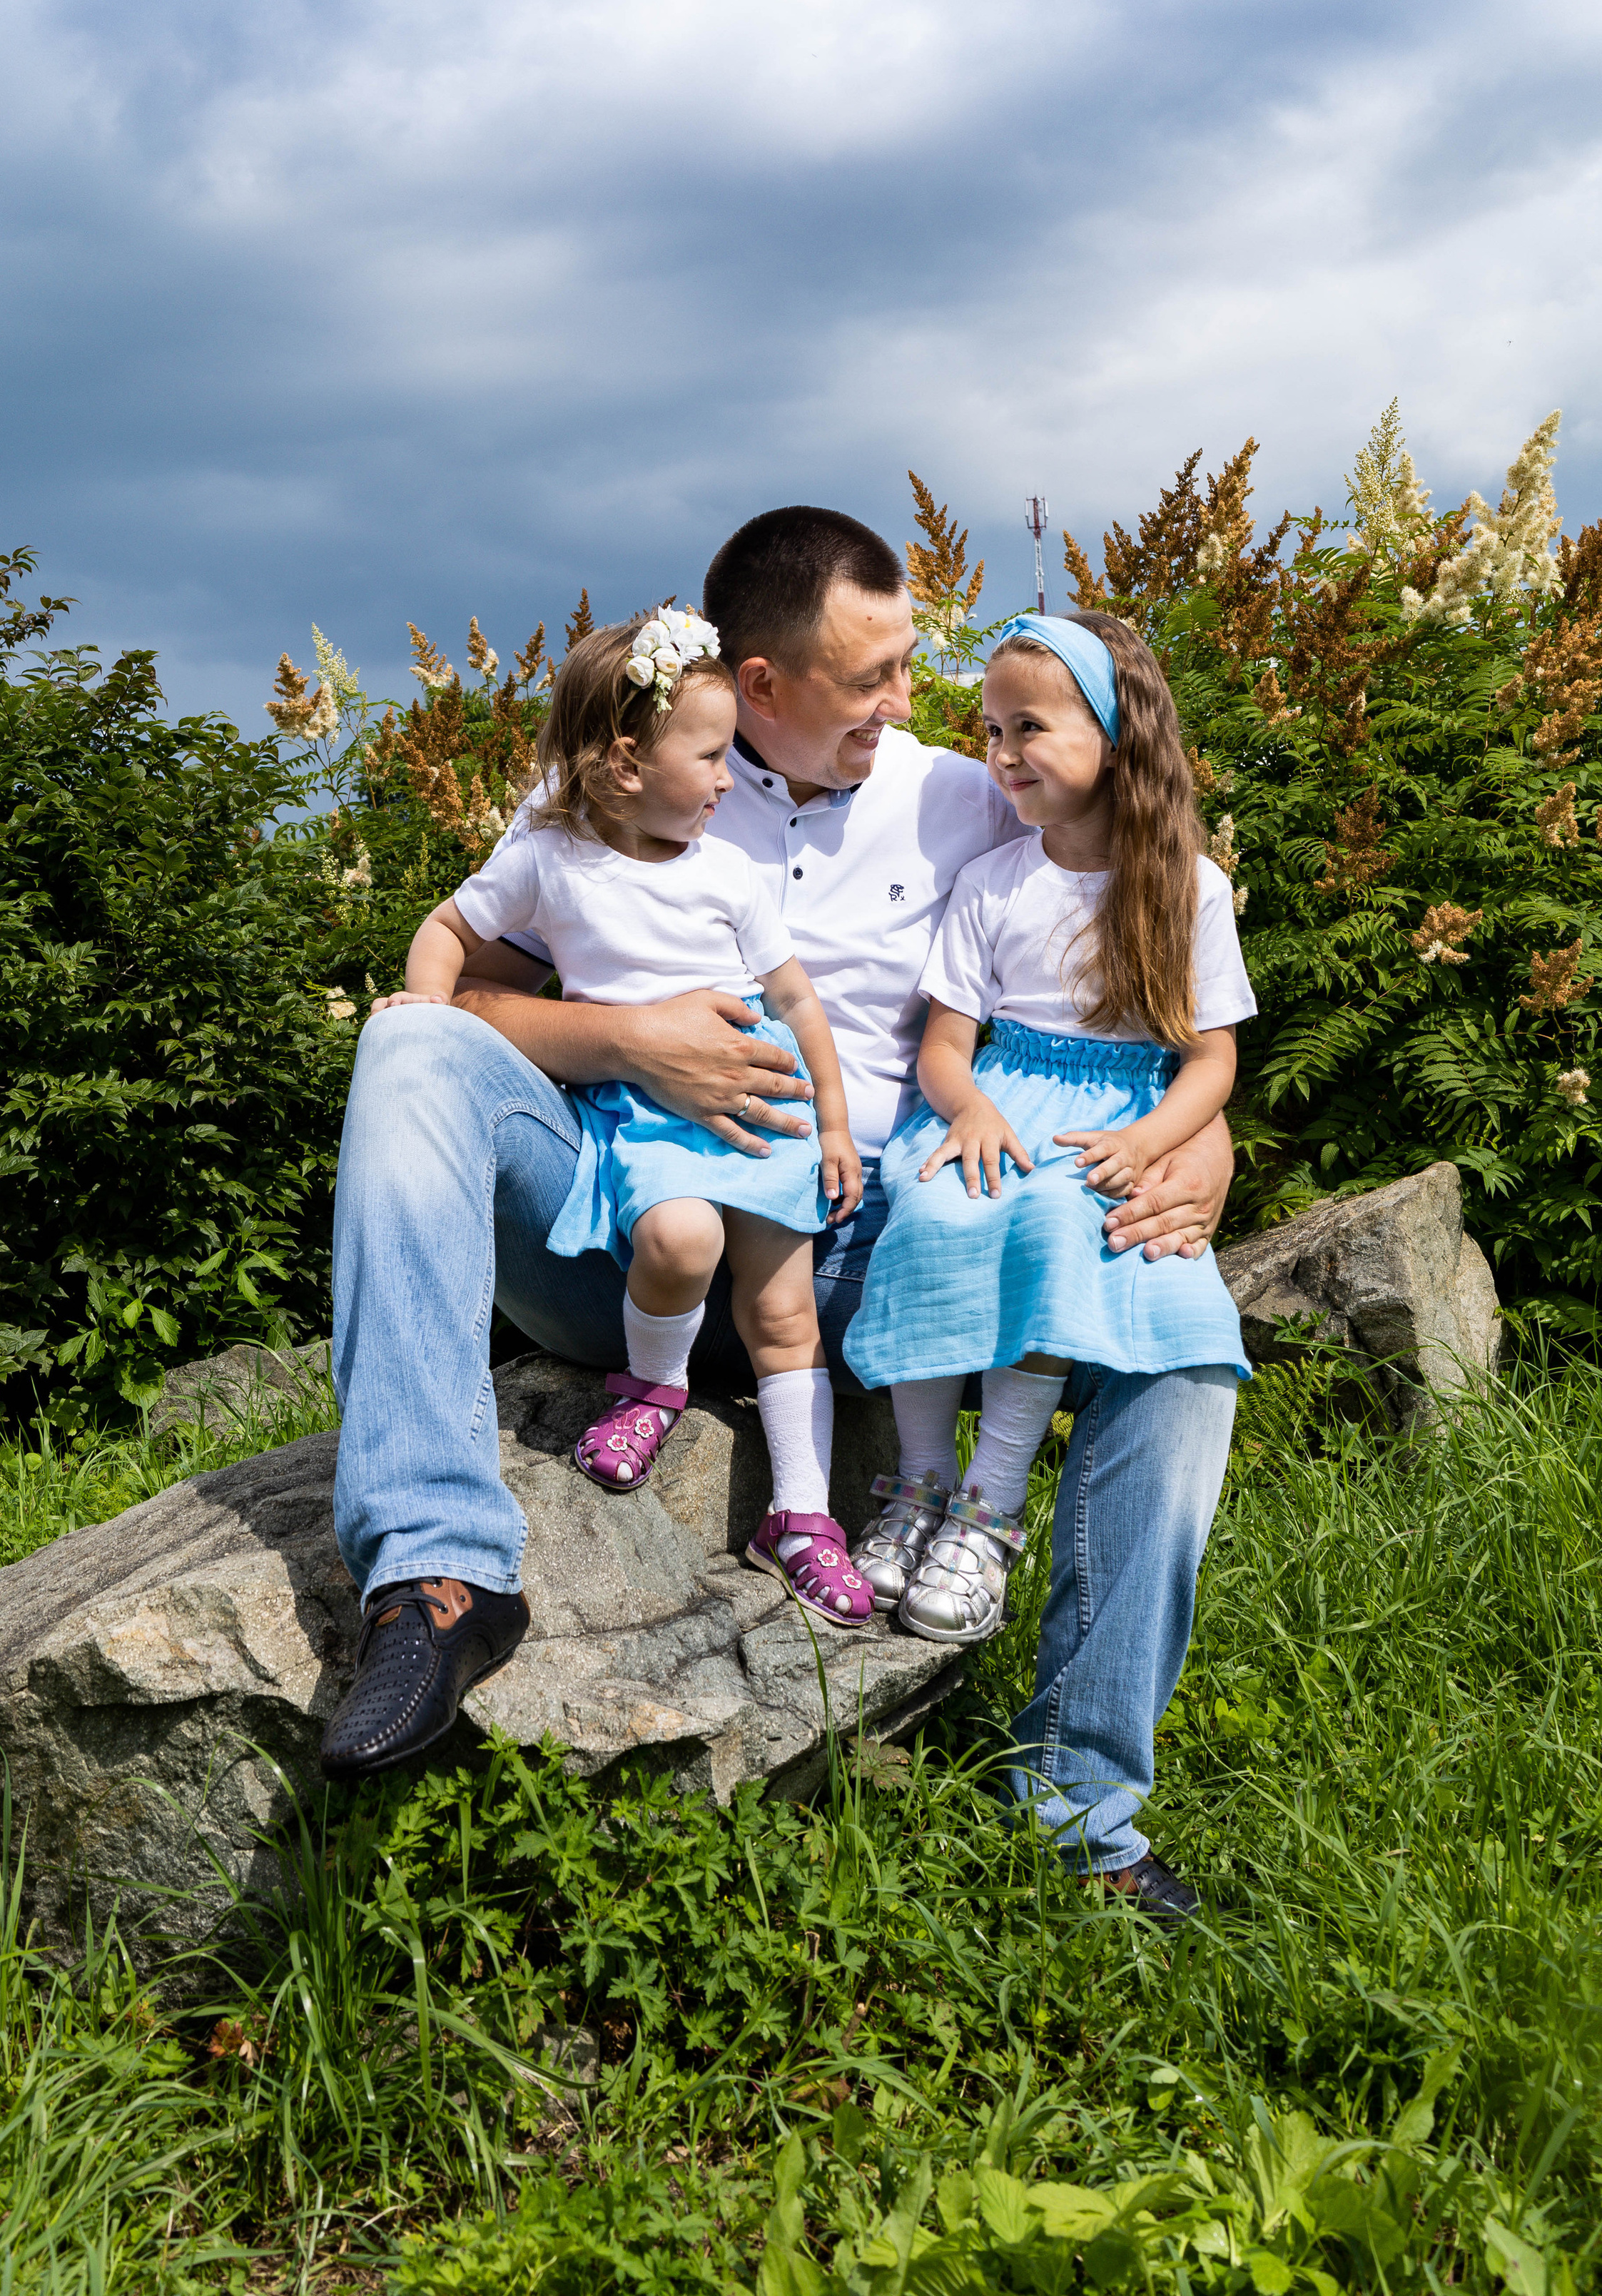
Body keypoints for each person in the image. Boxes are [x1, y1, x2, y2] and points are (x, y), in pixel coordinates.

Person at [319, 507, 1235, 1924]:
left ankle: (1080, 1809)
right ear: (756, 686)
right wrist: (627, 1039)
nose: (906, 705)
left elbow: (1117, 931)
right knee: (405, 1048)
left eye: (910, 671)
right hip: (635, 1239)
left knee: (1179, 1343)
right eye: (868, 679)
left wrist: (1205, 1135)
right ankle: (438, 1576)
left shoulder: (961, 793)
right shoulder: (613, 782)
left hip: (881, 1246)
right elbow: (466, 1000)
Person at [845, 609, 1252, 1880]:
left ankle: (993, 1510)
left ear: (1118, 734)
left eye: (1030, 726)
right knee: (944, 1207)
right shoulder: (996, 880)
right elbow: (949, 1045)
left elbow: (1212, 1055)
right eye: (991, 727)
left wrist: (1172, 1140)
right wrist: (963, 1110)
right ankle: (923, 1491)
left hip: (1113, 1124)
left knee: (1073, 1240)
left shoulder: (1182, 885)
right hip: (1002, 1102)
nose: (1001, 751)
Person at [380, 601, 873, 1628]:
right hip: (644, 1109)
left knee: (785, 1312)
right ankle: (652, 1389)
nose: (727, 778)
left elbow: (795, 1000)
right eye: (706, 755)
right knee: (678, 1239)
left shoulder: (729, 875)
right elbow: (449, 925)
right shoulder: (551, 860)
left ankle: (802, 1514)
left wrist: (832, 1119)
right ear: (621, 766)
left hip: (765, 1096)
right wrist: (426, 1011)